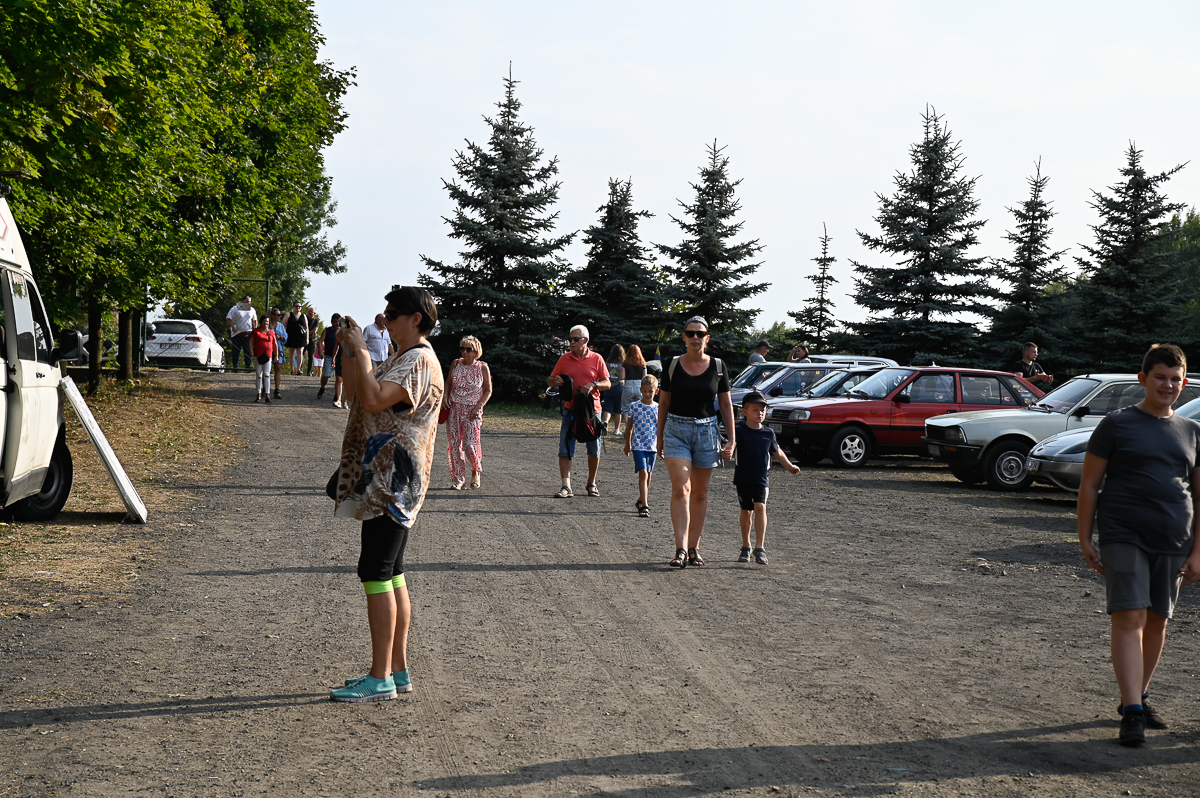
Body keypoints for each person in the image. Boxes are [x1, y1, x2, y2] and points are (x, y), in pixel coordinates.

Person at [1078, 344, 1200, 746]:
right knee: (1128, 617)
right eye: (1160, 376)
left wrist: (1199, 551)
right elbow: (1090, 484)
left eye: (1175, 378)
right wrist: (1085, 536)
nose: (1168, 385)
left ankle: (1139, 695)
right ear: (1142, 378)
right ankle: (1132, 712)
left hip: (1174, 539)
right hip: (1123, 533)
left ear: (1183, 383)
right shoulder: (1116, 424)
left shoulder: (1191, 430)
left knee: (1157, 620)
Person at [328, 286, 444, 703]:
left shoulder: (418, 359)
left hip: (393, 480)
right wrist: (350, 351)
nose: (386, 318)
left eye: (394, 313)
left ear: (416, 319)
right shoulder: (406, 356)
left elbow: (375, 400)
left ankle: (380, 679)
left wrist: (361, 350)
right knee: (391, 572)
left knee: (375, 572)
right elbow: (362, 391)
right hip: (391, 478)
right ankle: (397, 670)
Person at [657, 316, 735, 567]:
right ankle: (680, 549)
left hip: (707, 432)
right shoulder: (671, 365)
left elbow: (725, 404)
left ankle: (694, 548)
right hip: (676, 431)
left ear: (707, 338)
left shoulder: (719, 366)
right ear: (683, 337)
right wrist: (659, 437)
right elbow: (664, 403)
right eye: (690, 333)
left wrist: (731, 440)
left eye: (700, 334)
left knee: (700, 494)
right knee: (682, 487)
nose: (695, 338)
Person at [734, 390, 801, 565]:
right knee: (746, 511)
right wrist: (726, 452)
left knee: (760, 507)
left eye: (762, 410)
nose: (760, 413)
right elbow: (731, 445)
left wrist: (789, 466)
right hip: (742, 479)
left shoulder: (768, 433)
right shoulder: (739, 431)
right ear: (745, 412)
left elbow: (777, 452)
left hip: (761, 479)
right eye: (755, 410)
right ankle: (746, 546)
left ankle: (760, 547)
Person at [547, 324, 610, 498]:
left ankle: (591, 483)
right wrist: (555, 381)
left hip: (592, 411)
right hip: (570, 409)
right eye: (570, 339)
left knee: (594, 449)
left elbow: (608, 382)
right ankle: (566, 487)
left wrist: (594, 384)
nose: (572, 342)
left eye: (576, 339)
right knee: (565, 448)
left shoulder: (597, 359)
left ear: (586, 341)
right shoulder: (564, 359)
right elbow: (550, 380)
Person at [445, 335, 492, 490]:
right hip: (455, 408)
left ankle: (475, 470)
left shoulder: (482, 367)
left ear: (476, 351)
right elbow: (448, 383)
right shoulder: (456, 364)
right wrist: (445, 397)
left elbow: (488, 390)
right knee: (455, 445)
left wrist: (478, 407)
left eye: (468, 349)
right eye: (462, 348)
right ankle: (459, 479)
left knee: (469, 444)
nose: (464, 352)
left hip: (473, 410)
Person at [624, 374, 660, 518]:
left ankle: (640, 499)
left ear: (656, 391)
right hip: (638, 445)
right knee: (643, 473)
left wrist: (661, 446)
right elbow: (629, 427)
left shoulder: (658, 408)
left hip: (652, 446)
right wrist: (628, 444)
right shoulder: (634, 407)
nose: (647, 394)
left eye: (650, 391)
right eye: (644, 391)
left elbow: (660, 429)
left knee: (649, 475)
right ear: (640, 390)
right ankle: (645, 505)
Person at [248, 314, 279, 403]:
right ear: (261, 322)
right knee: (258, 375)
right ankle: (258, 394)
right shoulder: (256, 331)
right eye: (265, 321)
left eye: (268, 322)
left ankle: (267, 394)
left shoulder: (271, 332)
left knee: (267, 374)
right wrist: (251, 351)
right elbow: (250, 341)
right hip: (258, 355)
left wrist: (276, 355)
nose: (266, 323)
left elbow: (275, 344)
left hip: (268, 356)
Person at [225, 295, 256, 371]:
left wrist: (255, 329)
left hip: (248, 332)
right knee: (236, 350)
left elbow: (255, 320)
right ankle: (235, 367)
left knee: (247, 349)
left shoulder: (252, 310)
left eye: (250, 302)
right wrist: (233, 326)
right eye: (247, 301)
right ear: (243, 301)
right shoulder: (235, 308)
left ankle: (248, 366)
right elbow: (228, 319)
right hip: (237, 333)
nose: (248, 303)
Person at [601, 344, 626, 436]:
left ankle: (605, 423)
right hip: (619, 387)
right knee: (618, 410)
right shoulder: (623, 363)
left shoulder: (607, 362)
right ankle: (616, 429)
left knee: (608, 408)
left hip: (608, 387)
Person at [318, 313, 342, 402]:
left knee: (339, 377)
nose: (337, 323)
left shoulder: (342, 332)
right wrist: (320, 351)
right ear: (332, 321)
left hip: (339, 357)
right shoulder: (327, 330)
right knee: (326, 375)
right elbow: (320, 341)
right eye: (335, 321)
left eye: (338, 322)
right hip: (328, 356)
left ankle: (337, 394)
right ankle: (322, 387)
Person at [621, 345, 648, 420]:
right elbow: (644, 377)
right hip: (639, 385)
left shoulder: (625, 363)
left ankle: (628, 429)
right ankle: (637, 426)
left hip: (628, 385)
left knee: (626, 408)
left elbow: (622, 377)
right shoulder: (643, 363)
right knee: (640, 407)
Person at [285, 302, 309, 376]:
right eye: (296, 306)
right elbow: (284, 325)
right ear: (293, 307)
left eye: (299, 306)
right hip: (291, 336)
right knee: (291, 353)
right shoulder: (289, 315)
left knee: (300, 352)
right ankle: (292, 370)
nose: (298, 307)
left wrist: (307, 338)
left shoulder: (303, 316)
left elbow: (306, 327)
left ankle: (299, 369)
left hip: (301, 337)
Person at [269, 307, 287, 399]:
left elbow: (286, 337)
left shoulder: (281, 326)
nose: (279, 316)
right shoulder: (267, 325)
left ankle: (277, 389)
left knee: (278, 368)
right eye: (278, 315)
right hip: (268, 349)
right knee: (267, 370)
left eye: (280, 315)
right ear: (272, 316)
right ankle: (265, 388)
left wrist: (280, 337)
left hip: (279, 349)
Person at [304, 307, 321, 376]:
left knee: (311, 356)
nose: (311, 313)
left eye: (312, 312)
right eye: (310, 311)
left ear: (314, 313)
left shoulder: (316, 320)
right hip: (304, 339)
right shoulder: (305, 318)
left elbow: (315, 330)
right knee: (301, 354)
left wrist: (306, 333)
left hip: (312, 339)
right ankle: (300, 369)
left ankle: (309, 371)